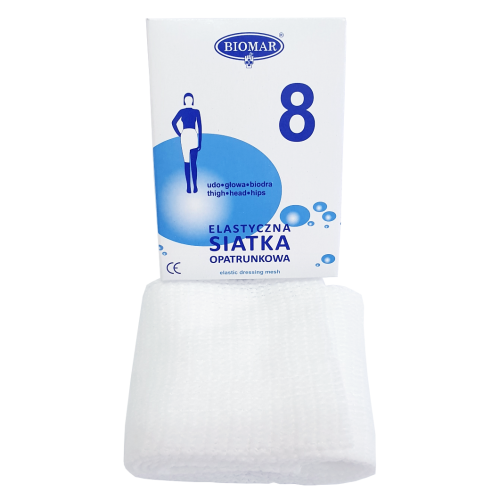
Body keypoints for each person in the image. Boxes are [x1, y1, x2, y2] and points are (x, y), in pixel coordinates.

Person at [171, 93, 202, 193]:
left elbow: (200, 127)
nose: (188, 101)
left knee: (190, 162)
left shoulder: (192, 111)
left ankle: (192, 186)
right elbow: (173, 122)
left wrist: (180, 134)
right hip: (189, 135)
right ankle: (191, 186)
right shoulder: (192, 111)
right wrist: (180, 134)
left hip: (189, 135)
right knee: (189, 162)